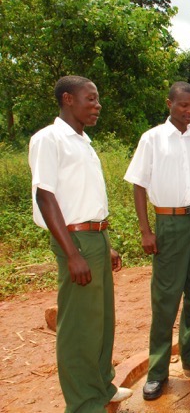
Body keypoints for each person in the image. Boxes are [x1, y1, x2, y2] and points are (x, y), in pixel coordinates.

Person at [28, 75, 132, 412]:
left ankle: (102, 384)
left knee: (100, 321)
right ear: (68, 99)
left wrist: (106, 242)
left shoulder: (83, 141)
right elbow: (46, 197)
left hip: (95, 237)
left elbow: (84, 196)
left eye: (98, 99)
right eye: (91, 98)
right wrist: (72, 252)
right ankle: (84, 402)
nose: (97, 105)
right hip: (74, 239)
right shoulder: (49, 139)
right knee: (77, 327)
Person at [124, 82, 190, 401]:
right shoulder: (152, 139)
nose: (189, 111)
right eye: (183, 106)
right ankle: (157, 372)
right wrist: (146, 231)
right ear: (169, 104)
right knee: (165, 299)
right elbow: (138, 185)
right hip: (169, 222)